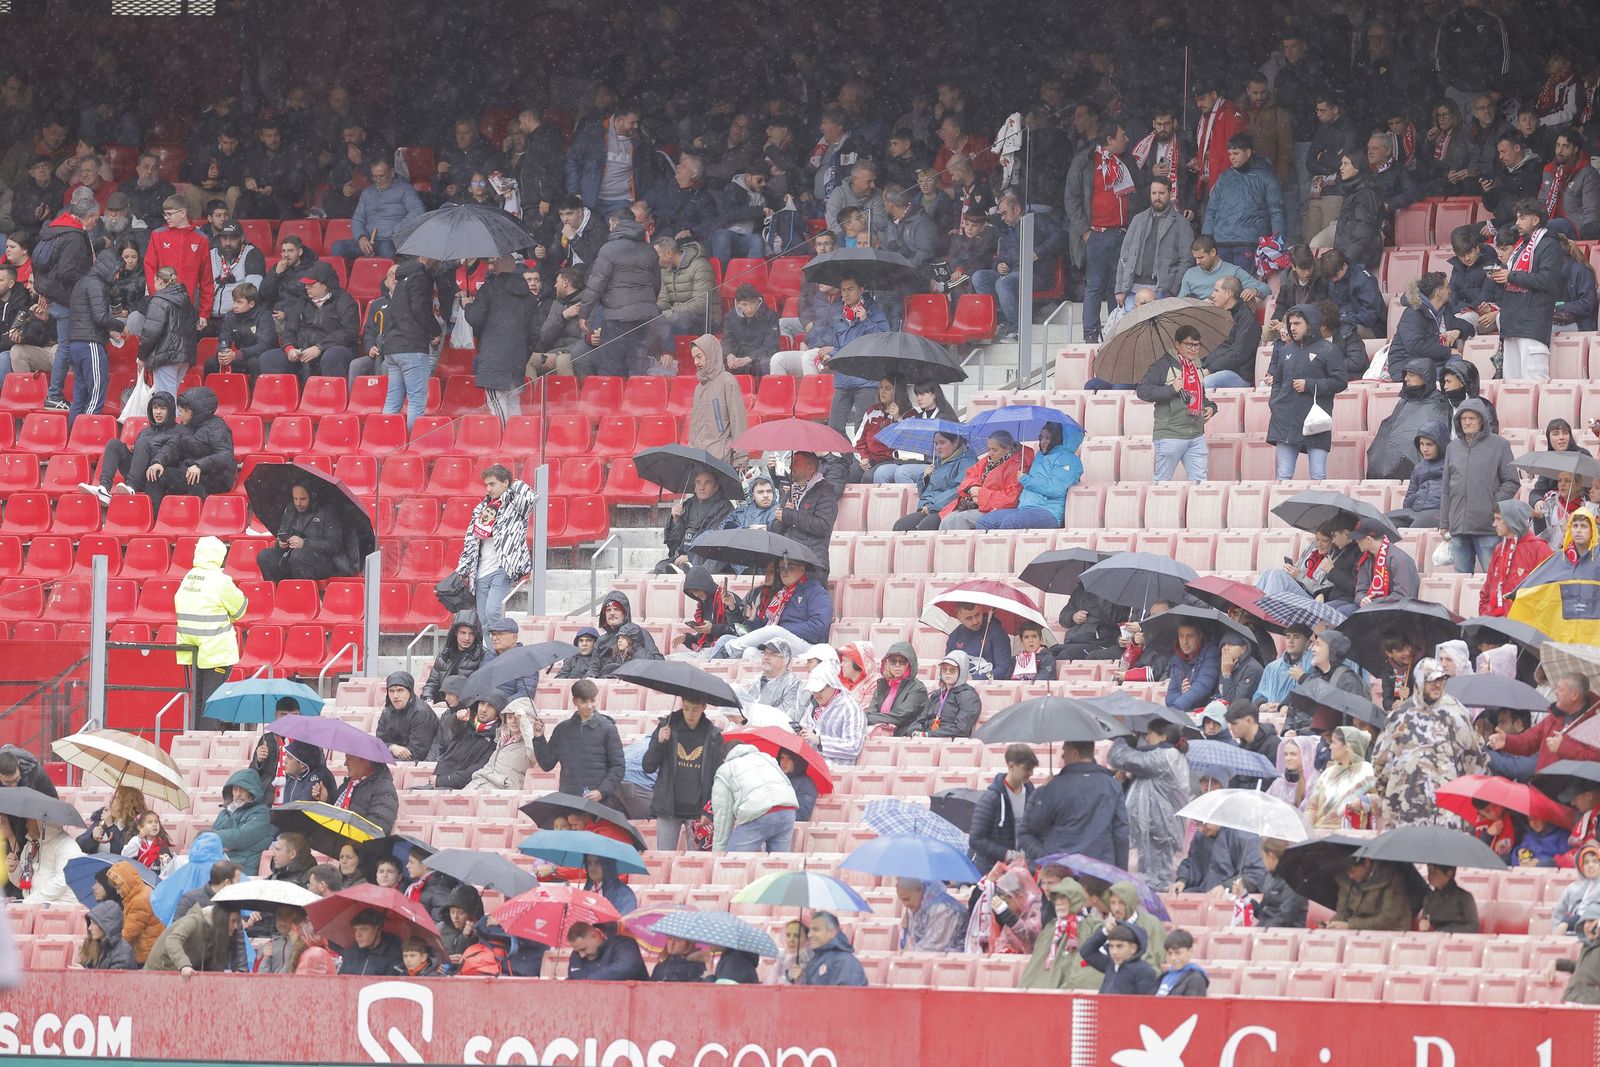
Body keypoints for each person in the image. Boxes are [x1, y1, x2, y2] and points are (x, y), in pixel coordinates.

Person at [1372, 659, 1487, 827]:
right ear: (1419, 681)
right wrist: (1390, 796)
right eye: (1431, 680)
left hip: (1447, 812)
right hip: (1404, 811)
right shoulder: (1399, 716)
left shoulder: (1457, 714)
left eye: (1441, 680)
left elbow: (1475, 757)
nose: (1437, 685)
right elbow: (1380, 763)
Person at [1265, 304, 1346, 481]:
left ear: (1310, 324)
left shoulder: (1329, 350)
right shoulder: (1285, 350)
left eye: (1297, 323)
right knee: (1283, 475)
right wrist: (1275, 402)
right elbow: (1277, 380)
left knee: (1318, 475)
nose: (1292, 328)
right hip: (1285, 419)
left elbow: (1340, 382)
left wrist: (1310, 385)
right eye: (1290, 324)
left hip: (1314, 421)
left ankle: (1319, 508)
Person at [1018, 740, 1129, 867]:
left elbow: (1034, 827)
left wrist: (1047, 856)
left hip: (1062, 869)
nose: (1062, 756)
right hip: (1100, 871)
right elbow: (1121, 833)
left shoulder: (1054, 787)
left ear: (1075, 753)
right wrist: (1121, 871)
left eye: (1065, 751)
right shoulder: (1112, 786)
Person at [173, 534, 246, 725]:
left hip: (192, 649)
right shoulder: (220, 581)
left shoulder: (188, 578)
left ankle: (193, 741)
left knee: (197, 702)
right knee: (212, 703)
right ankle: (205, 745)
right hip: (216, 649)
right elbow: (240, 609)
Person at [1107, 725, 1190, 891]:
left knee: (1158, 885)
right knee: (1145, 883)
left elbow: (1118, 757)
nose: (1146, 738)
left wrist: (1121, 735)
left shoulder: (1166, 756)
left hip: (1160, 833)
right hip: (1153, 832)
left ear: (1163, 737)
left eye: (1150, 733)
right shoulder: (1163, 757)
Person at [1441, 398, 1519, 574]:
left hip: (1488, 527)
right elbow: (1446, 488)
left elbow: (1512, 481)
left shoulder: (1500, 445)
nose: (1467, 422)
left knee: (1493, 579)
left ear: (1482, 420)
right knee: (1461, 580)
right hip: (1458, 528)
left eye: (1472, 418)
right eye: (1463, 418)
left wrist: (1493, 503)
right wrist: (1445, 523)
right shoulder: (1452, 447)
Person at [1488, 199, 1564, 379]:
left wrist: (1510, 276)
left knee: (1533, 384)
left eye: (1522, 218)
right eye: (1517, 218)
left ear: (1536, 220)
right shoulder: (1520, 246)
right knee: (1512, 388)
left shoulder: (1549, 244)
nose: (1517, 222)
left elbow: (1547, 280)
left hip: (1532, 325)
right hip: (1512, 324)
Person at [452, 465, 535, 628]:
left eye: (492, 484)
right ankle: (494, 653)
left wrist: (515, 483)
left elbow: (531, 498)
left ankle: (505, 650)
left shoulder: (515, 506)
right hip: (481, 570)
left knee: (493, 612)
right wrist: (462, 570)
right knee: (483, 619)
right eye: (487, 485)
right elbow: (470, 540)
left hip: (502, 568)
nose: (488, 489)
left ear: (505, 483)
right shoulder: (481, 508)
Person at [641, 695, 725, 850]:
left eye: (695, 709)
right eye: (686, 708)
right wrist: (659, 744)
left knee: (697, 863)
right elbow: (648, 766)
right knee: (664, 857)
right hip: (667, 807)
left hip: (699, 812)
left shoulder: (714, 736)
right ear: (681, 704)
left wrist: (709, 810)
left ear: (703, 707)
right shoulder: (666, 727)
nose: (690, 714)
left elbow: (718, 778)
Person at [462, 255, 539, 422]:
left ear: (496, 267)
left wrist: (467, 305)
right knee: (513, 404)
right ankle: (515, 441)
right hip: (517, 358)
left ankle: (504, 440)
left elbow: (475, 318)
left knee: (497, 406)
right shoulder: (530, 297)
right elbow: (534, 333)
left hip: (494, 359)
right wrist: (523, 355)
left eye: (492, 264)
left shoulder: (490, 288)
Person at [1137, 324, 1214, 483]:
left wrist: (1211, 407)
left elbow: (1202, 397)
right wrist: (1171, 389)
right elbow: (1142, 391)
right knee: (1162, 484)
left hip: (1196, 434)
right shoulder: (1163, 365)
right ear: (1177, 344)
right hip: (1170, 434)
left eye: (1196, 345)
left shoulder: (1197, 366)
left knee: (1201, 484)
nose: (1193, 349)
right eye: (1188, 344)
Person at [1490, 673, 1600, 771]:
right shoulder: (1554, 717)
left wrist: (1564, 747)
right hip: (1542, 783)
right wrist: (1507, 741)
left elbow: (1595, 759)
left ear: (1575, 695)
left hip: (1571, 790)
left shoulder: (1594, 722)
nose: (1556, 692)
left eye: (1560, 689)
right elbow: (1529, 741)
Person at [381, 253, 440, 429]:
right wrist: (434, 330)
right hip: (411, 347)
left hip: (393, 346)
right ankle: (414, 445)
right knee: (416, 402)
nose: (438, 262)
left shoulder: (402, 278)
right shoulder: (420, 277)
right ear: (425, 257)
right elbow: (419, 308)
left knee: (393, 400)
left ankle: (386, 440)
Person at [1114, 177, 1193, 306]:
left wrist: (1173, 290)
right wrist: (1119, 289)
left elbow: (1186, 260)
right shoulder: (1138, 219)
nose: (1157, 197)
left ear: (1171, 194)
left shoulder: (1181, 223)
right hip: (1132, 288)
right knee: (1131, 324)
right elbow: (1124, 255)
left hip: (1162, 291)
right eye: (1154, 193)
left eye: (1162, 193)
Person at [256, 481, 354, 582]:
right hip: (290, 558)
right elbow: (281, 534)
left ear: (312, 496)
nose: (298, 503)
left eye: (302, 499)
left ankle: (303, 593)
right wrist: (280, 543)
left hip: (322, 562)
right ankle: (278, 592)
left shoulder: (327, 512)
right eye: (295, 499)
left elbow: (334, 545)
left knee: (298, 556)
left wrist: (305, 543)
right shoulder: (290, 509)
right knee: (264, 556)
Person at [711, 742, 798, 853]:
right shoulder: (767, 758)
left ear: (724, 757)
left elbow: (723, 816)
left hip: (758, 813)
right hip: (787, 809)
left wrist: (718, 855)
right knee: (779, 864)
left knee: (734, 863)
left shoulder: (725, 769)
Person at [1018, 877, 1100, 990]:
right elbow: (1036, 964)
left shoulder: (1091, 926)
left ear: (1075, 900)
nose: (1059, 902)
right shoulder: (1051, 928)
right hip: (1042, 990)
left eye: (1064, 898)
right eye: (1057, 899)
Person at [768, 451, 840, 579]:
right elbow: (775, 529)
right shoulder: (791, 491)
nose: (791, 466)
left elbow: (823, 526)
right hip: (786, 559)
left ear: (810, 467)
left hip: (812, 564)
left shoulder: (825, 492)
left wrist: (791, 516)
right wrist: (783, 519)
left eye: (796, 463)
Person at [891, 431, 972, 531]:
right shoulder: (938, 462)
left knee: (925, 527)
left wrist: (933, 505)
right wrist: (925, 477)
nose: (938, 447)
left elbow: (959, 489)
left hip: (949, 508)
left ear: (955, 443)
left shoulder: (967, 462)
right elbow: (923, 493)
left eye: (942, 443)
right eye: (936, 443)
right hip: (929, 507)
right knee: (901, 525)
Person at [1482, 499, 1552, 616]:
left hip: (1524, 626)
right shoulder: (1499, 549)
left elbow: (1548, 592)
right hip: (1495, 624)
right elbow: (1486, 591)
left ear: (1511, 520)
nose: (1494, 524)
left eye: (1498, 519)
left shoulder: (1539, 548)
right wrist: (1485, 615)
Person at [138, 265, 198, 399]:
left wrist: (142, 356)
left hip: (166, 356)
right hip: (184, 355)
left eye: (154, 281)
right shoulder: (185, 299)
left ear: (159, 281)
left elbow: (150, 332)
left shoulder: (159, 300)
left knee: (166, 401)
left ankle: (172, 421)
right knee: (171, 397)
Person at [1389, 273, 1461, 380]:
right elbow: (1415, 346)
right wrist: (1447, 351)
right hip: (1406, 366)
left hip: (1425, 361)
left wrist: (1459, 331)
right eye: (1447, 287)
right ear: (1439, 292)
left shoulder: (1441, 310)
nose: (1450, 291)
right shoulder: (1414, 313)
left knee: (1458, 364)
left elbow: (1463, 324)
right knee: (1453, 371)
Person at [661, 470, 734, 574]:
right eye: (698, 483)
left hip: (705, 558)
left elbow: (715, 540)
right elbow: (673, 543)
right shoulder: (686, 505)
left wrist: (690, 556)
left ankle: (689, 568)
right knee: (660, 567)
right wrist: (675, 520)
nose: (702, 487)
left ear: (716, 487)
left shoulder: (724, 508)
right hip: (681, 557)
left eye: (707, 483)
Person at [1304, 726, 1377, 831]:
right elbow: (1312, 807)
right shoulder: (1327, 773)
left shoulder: (1365, 770)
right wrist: (1308, 829)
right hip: (1320, 832)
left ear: (1347, 746)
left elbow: (1376, 800)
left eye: (1334, 743)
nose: (1330, 747)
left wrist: (1364, 801)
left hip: (1351, 836)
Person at [431, 693, 505, 791]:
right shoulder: (465, 722)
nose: (484, 709)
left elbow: (477, 770)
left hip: (462, 788)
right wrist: (456, 718)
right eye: (482, 704)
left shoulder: (497, 740)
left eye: (490, 706)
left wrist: (443, 781)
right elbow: (449, 729)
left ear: (498, 712)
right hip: (439, 779)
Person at [143, 903, 240, 975]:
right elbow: (173, 940)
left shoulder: (218, 935)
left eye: (237, 922)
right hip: (157, 972)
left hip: (178, 976)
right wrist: (184, 965)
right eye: (233, 921)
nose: (236, 926)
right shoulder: (194, 921)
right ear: (222, 918)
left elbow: (213, 968)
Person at [799, 664, 866, 766]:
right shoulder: (813, 706)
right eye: (813, 691)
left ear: (832, 685)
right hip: (809, 762)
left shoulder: (850, 708)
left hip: (835, 768)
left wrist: (820, 741)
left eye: (820, 690)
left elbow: (854, 747)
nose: (816, 694)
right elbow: (805, 729)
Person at [1172, 823, 1264, 894]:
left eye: (1204, 823)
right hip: (1205, 892)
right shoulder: (1200, 837)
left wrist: (1226, 886)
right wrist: (1183, 880)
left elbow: (1256, 872)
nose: (1200, 829)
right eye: (1197, 823)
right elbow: (1192, 863)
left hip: (1234, 896)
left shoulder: (1244, 836)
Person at [6, 818, 82, 904]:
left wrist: (31, 900)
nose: (26, 825)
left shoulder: (67, 845)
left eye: (29, 821)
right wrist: (14, 869)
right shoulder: (30, 845)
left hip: (60, 908)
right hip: (33, 906)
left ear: (41, 822)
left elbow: (62, 882)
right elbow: (24, 883)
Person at [907, 651, 981, 738]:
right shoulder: (937, 694)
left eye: (952, 670)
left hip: (949, 743)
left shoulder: (969, 696)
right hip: (927, 739)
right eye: (944, 669)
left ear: (961, 671)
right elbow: (920, 719)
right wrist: (914, 731)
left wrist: (928, 735)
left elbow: (961, 729)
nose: (947, 673)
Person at [1327, 856, 1413, 931]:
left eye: (1353, 871)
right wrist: (1332, 923)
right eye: (1347, 872)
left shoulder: (1392, 878)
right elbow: (1342, 910)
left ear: (1367, 862)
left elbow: (1388, 919)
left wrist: (1350, 925)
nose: (1350, 876)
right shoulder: (1346, 880)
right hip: (1356, 929)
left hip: (1390, 931)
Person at [376, 671, 440, 762]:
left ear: (410, 691)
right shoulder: (387, 711)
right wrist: (392, 747)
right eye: (391, 691)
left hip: (420, 763)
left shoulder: (422, 713)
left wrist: (392, 751)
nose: (395, 696)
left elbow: (417, 753)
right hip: (395, 760)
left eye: (400, 690)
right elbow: (378, 744)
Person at [1352, 520, 1420, 606]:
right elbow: (1360, 591)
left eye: (1358, 538)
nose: (1356, 541)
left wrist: (1375, 602)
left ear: (1368, 539)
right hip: (1371, 608)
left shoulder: (1400, 560)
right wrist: (1362, 599)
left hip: (1396, 611)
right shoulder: (1366, 559)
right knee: (1344, 610)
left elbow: (1402, 596)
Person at [1082, 920, 1160, 995]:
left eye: (1119, 946)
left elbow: (1147, 1004)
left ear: (1133, 948)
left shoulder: (1144, 971)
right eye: (1111, 946)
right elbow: (1087, 952)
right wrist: (1105, 931)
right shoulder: (1110, 964)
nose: (1114, 952)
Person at [567, 921, 650, 981]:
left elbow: (627, 966)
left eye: (584, 949)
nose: (581, 955)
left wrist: (590, 980)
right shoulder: (578, 951)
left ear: (594, 936)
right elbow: (574, 978)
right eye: (577, 951)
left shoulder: (622, 941)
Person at [801, 912, 868, 986]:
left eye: (816, 930)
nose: (809, 935)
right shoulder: (814, 961)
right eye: (809, 930)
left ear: (832, 933)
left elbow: (850, 995)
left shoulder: (847, 963)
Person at [77, 785, 145, 857]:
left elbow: (121, 852)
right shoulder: (102, 819)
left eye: (116, 797)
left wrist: (110, 825)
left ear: (127, 803)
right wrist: (91, 837)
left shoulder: (136, 828)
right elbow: (79, 846)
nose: (110, 800)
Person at [1165, 622, 1220, 712]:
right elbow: (1169, 699)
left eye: (1190, 636)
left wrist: (1176, 708)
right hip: (1183, 712)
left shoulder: (1211, 653)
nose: (1185, 641)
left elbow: (1203, 686)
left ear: (1200, 637)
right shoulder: (1176, 659)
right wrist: (1182, 694)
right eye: (1181, 636)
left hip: (1206, 713)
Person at [336, 909, 405, 976]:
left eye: (364, 929)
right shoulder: (352, 953)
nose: (358, 935)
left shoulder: (394, 953)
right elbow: (341, 980)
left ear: (378, 929)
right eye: (355, 930)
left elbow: (393, 983)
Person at [1417, 864, 1480, 933]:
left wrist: (1446, 932)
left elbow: (1473, 926)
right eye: (1429, 872)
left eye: (1434, 873)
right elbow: (1425, 923)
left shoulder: (1464, 897)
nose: (1430, 876)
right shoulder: (1429, 897)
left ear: (1449, 874)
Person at [79, 900, 139, 971]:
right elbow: (86, 965)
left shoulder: (123, 955)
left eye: (94, 923)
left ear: (107, 926)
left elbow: (112, 980)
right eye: (90, 923)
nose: (89, 928)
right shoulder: (95, 944)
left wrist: (85, 973)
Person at [1216, 635, 1264, 707]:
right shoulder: (1227, 664)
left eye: (1231, 644)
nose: (1225, 648)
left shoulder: (1252, 669)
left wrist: (1226, 674)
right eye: (1223, 645)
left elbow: (1236, 701)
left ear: (1243, 649)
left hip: (1243, 713)